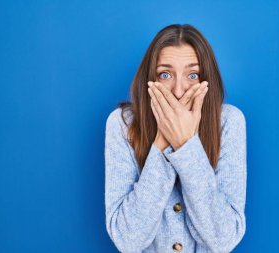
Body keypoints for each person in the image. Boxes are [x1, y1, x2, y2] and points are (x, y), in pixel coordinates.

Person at [104, 24, 247, 253]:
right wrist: (163, 142)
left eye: (193, 75)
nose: (179, 91)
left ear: (206, 80)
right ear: (149, 79)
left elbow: (223, 239)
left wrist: (186, 145)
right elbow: (127, 240)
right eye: (165, 74)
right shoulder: (122, 124)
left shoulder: (229, 122)